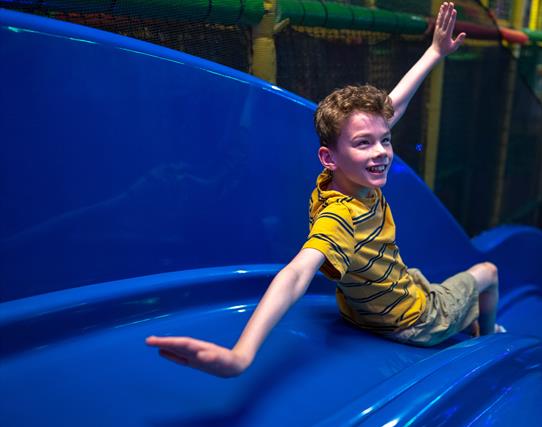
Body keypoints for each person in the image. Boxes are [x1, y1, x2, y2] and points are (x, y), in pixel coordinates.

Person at [146, 2, 502, 378]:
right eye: (364, 144)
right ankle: (491, 336)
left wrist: (433, 52)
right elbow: (297, 273)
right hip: (413, 322)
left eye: (386, 140)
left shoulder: (334, 180)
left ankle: (466, 319)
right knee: (487, 272)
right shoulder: (341, 217)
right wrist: (241, 355)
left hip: (366, 309)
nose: (381, 152)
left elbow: (390, 110)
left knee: (416, 276)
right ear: (329, 157)